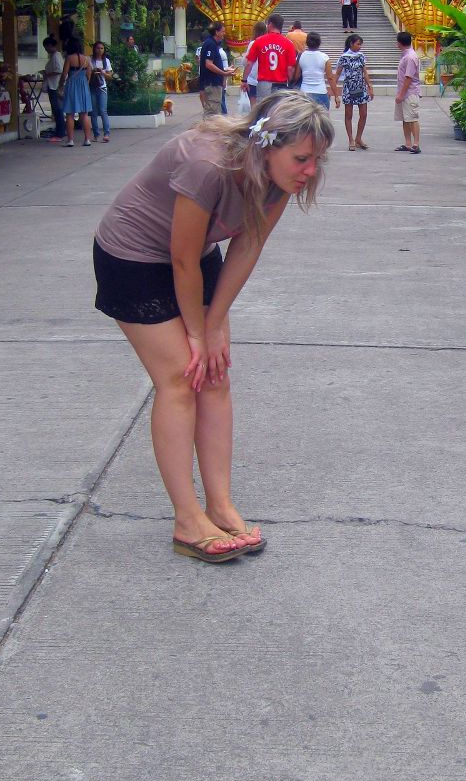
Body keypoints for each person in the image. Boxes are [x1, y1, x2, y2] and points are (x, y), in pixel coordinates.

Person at [92, 93, 334, 564]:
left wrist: (216, 323)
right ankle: (187, 520)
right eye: (302, 159)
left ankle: (220, 505)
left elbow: (247, 247)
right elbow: (180, 259)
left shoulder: (281, 177)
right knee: (182, 377)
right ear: (267, 144)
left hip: (194, 257)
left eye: (316, 160)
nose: (310, 170)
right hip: (134, 256)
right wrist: (197, 334)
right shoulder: (209, 164)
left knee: (215, 373)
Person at [241, 13, 298, 98]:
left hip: (264, 82)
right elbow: (290, 68)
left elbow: (249, 63)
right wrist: (290, 82)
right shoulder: (289, 44)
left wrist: (244, 80)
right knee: (279, 108)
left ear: (270, 24)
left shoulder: (259, 41)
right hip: (281, 83)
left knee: (264, 108)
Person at [334, 33, 373, 150]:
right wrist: (334, 91)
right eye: (358, 44)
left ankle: (358, 138)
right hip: (349, 88)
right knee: (348, 115)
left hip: (361, 87)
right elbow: (337, 74)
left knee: (364, 114)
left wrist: (370, 86)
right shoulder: (344, 57)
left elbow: (364, 72)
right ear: (351, 44)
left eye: (360, 44)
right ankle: (351, 139)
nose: (359, 46)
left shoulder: (361, 56)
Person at [58, 34, 94, 147]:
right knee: (85, 114)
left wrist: (60, 85)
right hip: (83, 86)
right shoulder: (87, 59)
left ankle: (70, 140)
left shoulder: (69, 58)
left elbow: (64, 74)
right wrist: (85, 83)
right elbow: (89, 74)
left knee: (70, 114)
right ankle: (87, 139)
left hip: (72, 85)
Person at [393, 30, 422, 154]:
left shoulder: (410, 57)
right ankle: (408, 143)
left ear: (400, 43)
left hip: (409, 93)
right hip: (404, 92)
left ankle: (416, 144)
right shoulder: (406, 55)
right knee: (405, 118)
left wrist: (401, 94)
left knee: (412, 118)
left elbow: (408, 77)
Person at [294, 32, 339, 110]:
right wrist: (336, 96)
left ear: (307, 42)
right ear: (319, 43)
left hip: (305, 92)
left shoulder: (301, 56)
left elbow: (297, 75)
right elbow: (330, 78)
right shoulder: (324, 57)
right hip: (320, 91)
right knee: (322, 119)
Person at [198, 21, 232, 117]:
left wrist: (225, 70)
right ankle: (207, 131)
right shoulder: (211, 44)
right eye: (223, 31)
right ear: (217, 32)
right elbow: (209, 64)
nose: (224, 34)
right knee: (212, 113)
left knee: (214, 111)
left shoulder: (212, 44)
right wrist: (223, 73)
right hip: (212, 83)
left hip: (213, 82)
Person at [41, 35, 66, 142]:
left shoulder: (56, 56)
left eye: (46, 47)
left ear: (51, 46)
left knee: (58, 110)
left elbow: (59, 70)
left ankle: (60, 132)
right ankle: (59, 130)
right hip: (53, 84)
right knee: (56, 110)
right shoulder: (54, 56)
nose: (46, 49)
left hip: (55, 85)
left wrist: (48, 74)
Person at [89, 40, 112, 142]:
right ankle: (96, 134)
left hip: (102, 87)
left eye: (102, 48)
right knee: (93, 112)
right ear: (94, 49)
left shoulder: (106, 61)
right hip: (92, 87)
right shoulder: (90, 60)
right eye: (98, 48)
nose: (100, 50)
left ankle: (106, 133)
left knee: (103, 111)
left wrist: (102, 73)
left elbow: (110, 76)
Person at [242, 20, 267, 106]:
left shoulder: (253, 43)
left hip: (252, 78)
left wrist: (243, 79)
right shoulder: (267, 43)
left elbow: (246, 62)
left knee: (254, 106)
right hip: (264, 79)